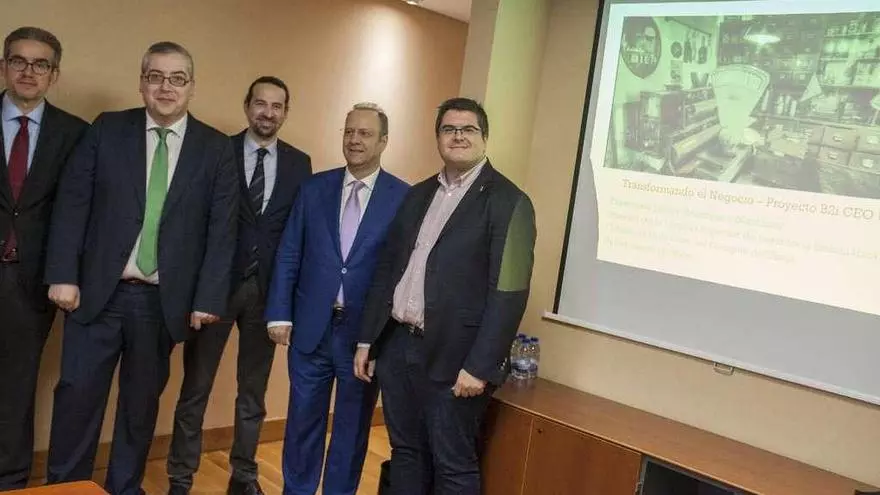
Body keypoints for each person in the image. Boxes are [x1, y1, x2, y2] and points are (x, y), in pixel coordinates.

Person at [43, 41, 238, 494]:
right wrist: (63, 274)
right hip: (96, 295)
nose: (165, 87)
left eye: (177, 78)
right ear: (142, 82)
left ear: (192, 86)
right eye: (155, 76)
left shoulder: (215, 148)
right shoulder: (108, 129)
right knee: (77, 399)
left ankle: (124, 488)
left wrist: (208, 297)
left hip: (162, 303)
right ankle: (66, 488)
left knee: (139, 408)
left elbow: (222, 229)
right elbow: (73, 202)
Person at [354, 97, 536, 494]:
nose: (458, 136)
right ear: (437, 137)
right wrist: (369, 339)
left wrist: (480, 367)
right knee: (406, 453)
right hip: (398, 347)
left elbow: (509, 294)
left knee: (452, 463)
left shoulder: (510, 202)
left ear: (484, 137)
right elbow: (389, 271)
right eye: (449, 129)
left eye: (468, 129)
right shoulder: (418, 194)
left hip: (458, 360)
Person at [167, 76, 312, 495]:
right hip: (215, 289)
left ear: (286, 112)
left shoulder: (299, 163)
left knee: (253, 393)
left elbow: (296, 233)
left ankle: (243, 475)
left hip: (266, 295)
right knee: (195, 389)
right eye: (261, 103)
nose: (268, 112)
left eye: (277, 106)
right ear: (247, 106)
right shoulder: (218, 150)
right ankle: (180, 478)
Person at [265, 102, 408, 495]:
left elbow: (400, 272)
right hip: (310, 330)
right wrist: (279, 313)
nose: (354, 140)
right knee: (301, 424)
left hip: (363, 338)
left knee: (351, 430)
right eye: (349, 132)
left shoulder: (403, 198)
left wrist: (380, 337)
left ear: (383, 141)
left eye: (365, 133)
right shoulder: (314, 188)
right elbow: (290, 251)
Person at [0, 26, 88, 490]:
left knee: (16, 389)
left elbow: (79, 212)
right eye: (19, 60)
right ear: (4, 67)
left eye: (40, 64)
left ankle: (10, 481)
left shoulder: (76, 134)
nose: (28, 71)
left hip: (29, 281)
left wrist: (67, 275)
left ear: (54, 74)